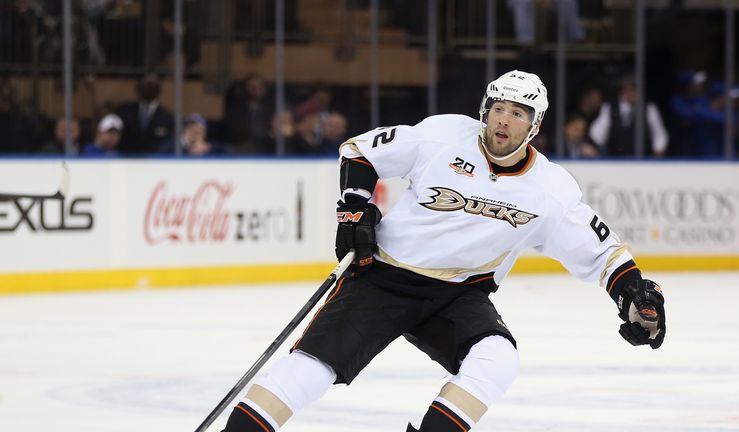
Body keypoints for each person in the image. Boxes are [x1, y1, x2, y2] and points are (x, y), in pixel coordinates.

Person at [220, 70, 667, 432]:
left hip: (459, 294)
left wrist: (636, 297)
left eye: (517, 113)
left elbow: (602, 250)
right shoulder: (441, 136)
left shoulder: (549, 189)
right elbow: (358, 152)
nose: (503, 121)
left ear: (535, 125)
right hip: (383, 277)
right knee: (310, 371)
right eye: (497, 109)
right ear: (484, 111)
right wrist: (356, 206)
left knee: (497, 359)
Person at [589, 76, 668, 157]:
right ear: (622, 91)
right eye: (629, 89)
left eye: (635, 90)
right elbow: (597, 134)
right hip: (615, 160)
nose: (632, 93)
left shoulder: (648, 108)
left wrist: (658, 150)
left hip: (643, 160)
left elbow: (659, 135)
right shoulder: (610, 107)